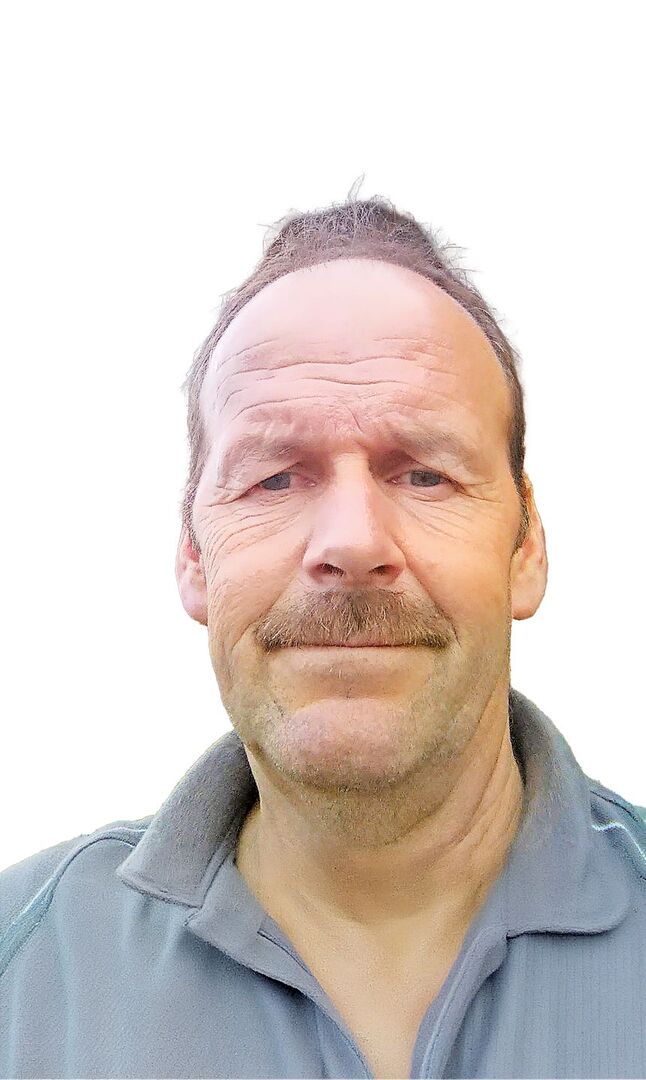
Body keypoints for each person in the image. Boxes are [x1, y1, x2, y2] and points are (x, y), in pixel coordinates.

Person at [1, 197, 645, 1080]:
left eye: (424, 474)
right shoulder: (22, 975)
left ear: (527, 546)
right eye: (274, 479)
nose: (351, 542)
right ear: (193, 555)